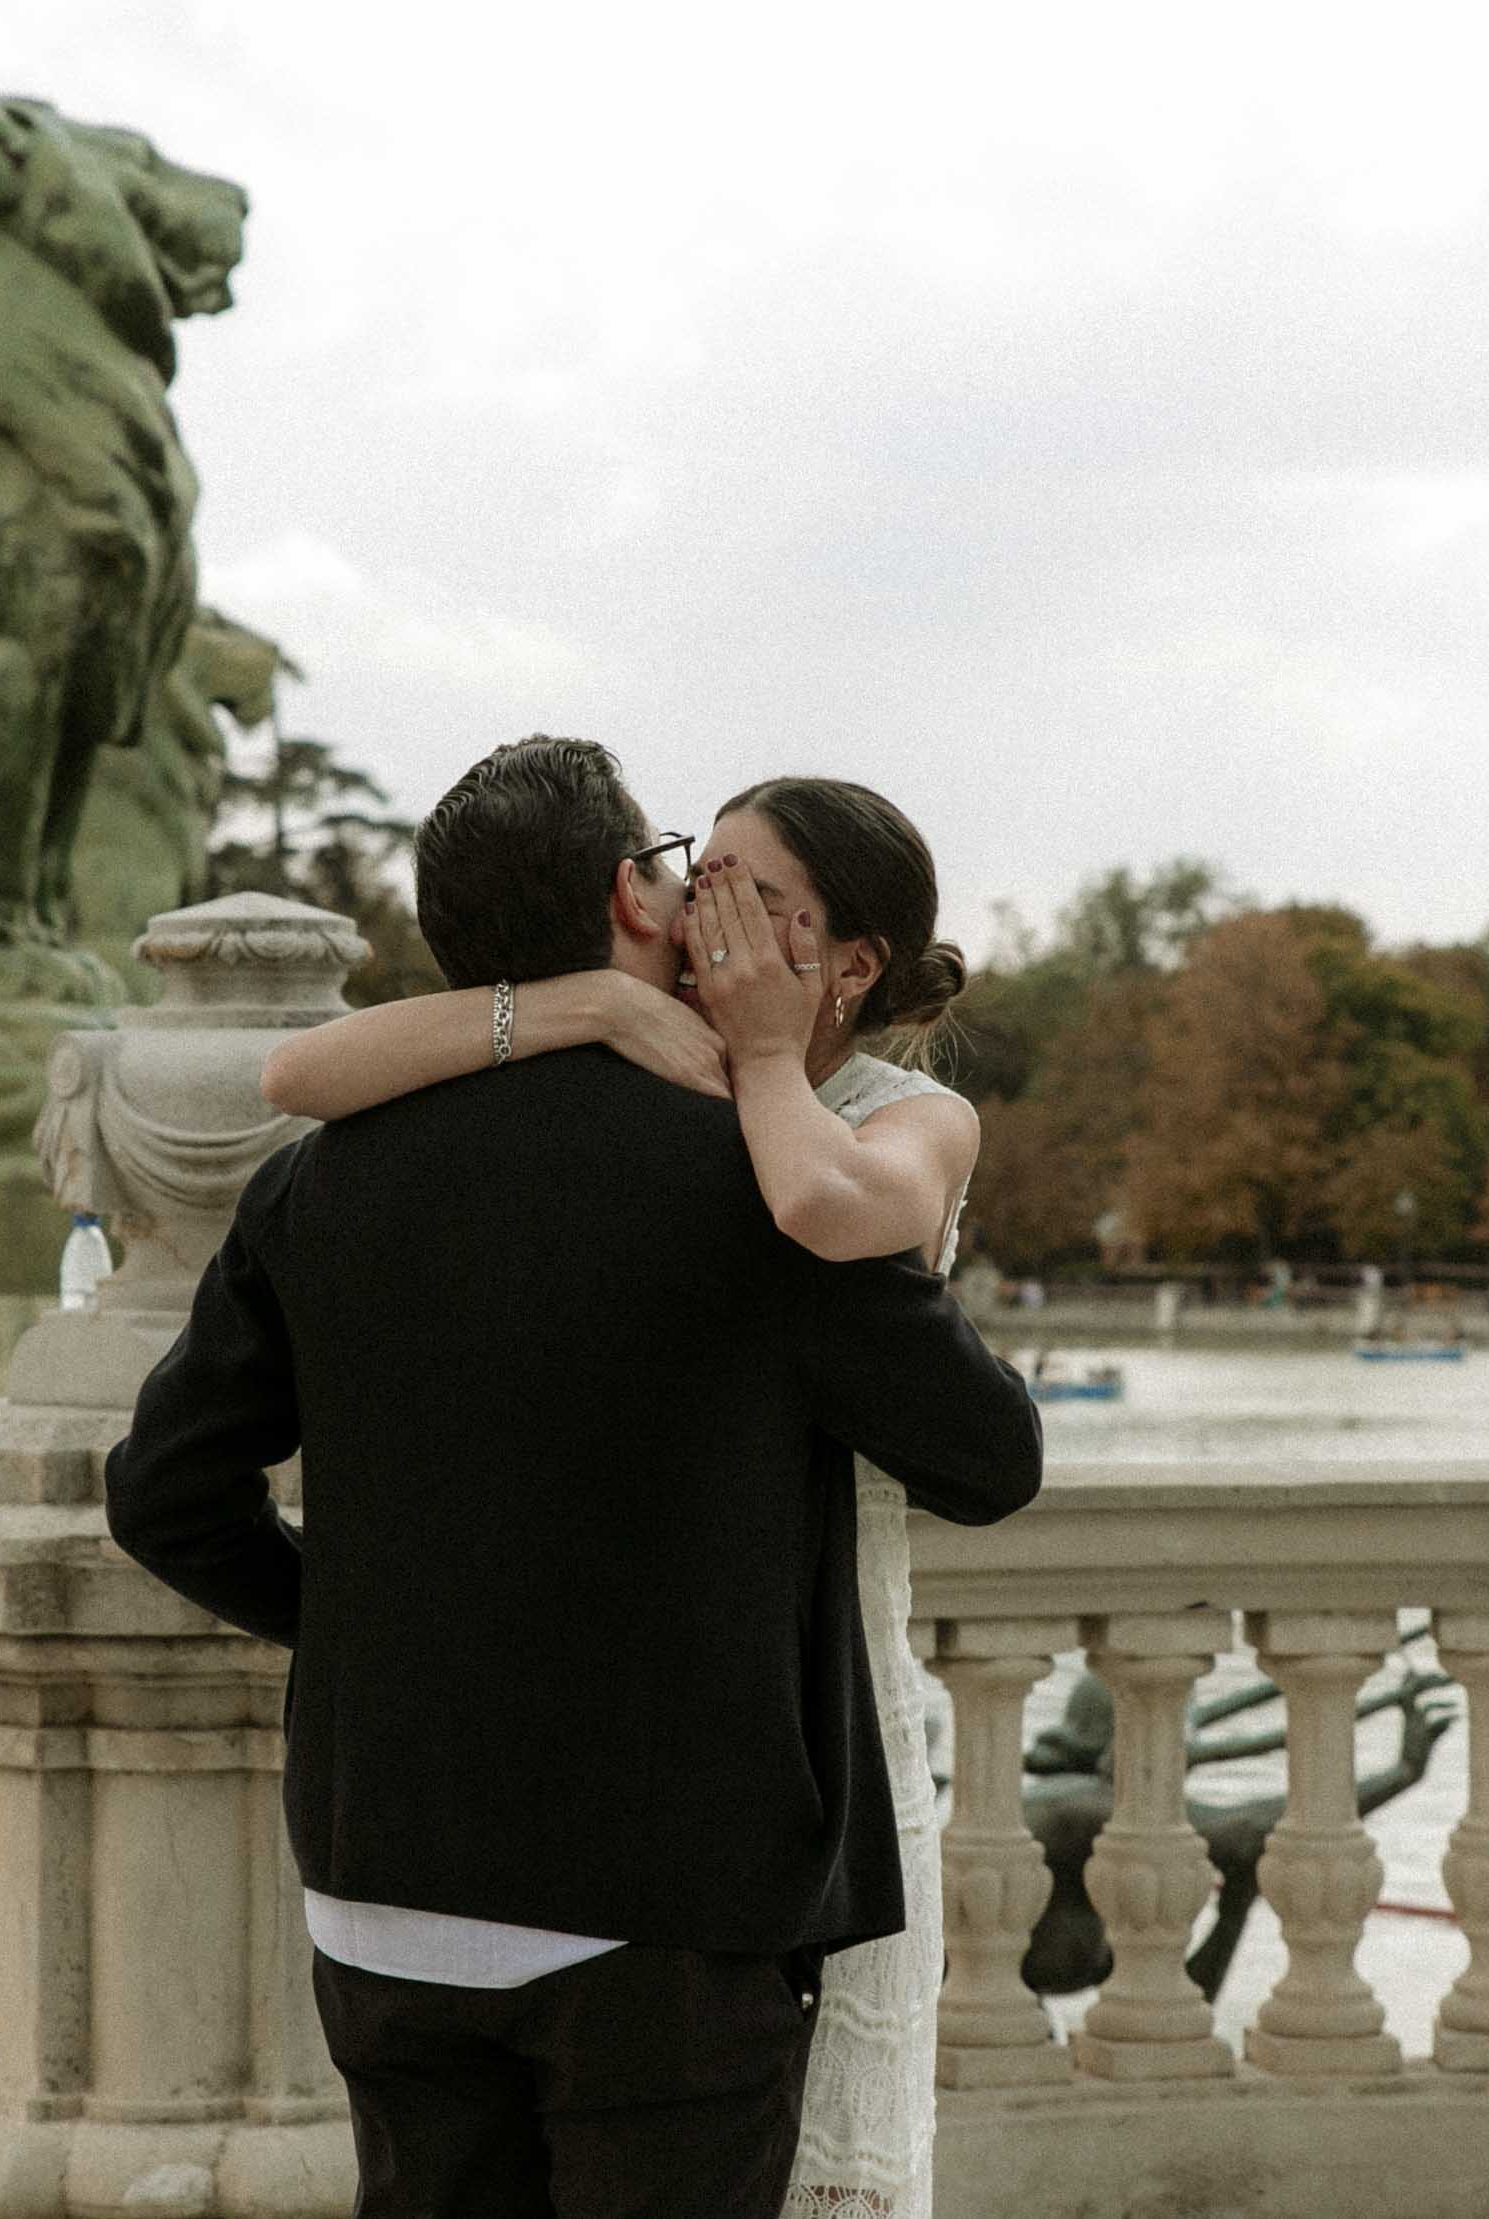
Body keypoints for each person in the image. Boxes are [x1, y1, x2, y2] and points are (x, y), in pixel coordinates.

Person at [109, 738, 1040, 2219]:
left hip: (384, 1889)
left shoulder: (320, 1174)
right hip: (658, 1911)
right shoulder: (738, 1180)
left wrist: (364, 1632)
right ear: (632, 895)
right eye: (687, 871)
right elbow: (989, 1461)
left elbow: (162, 1495)